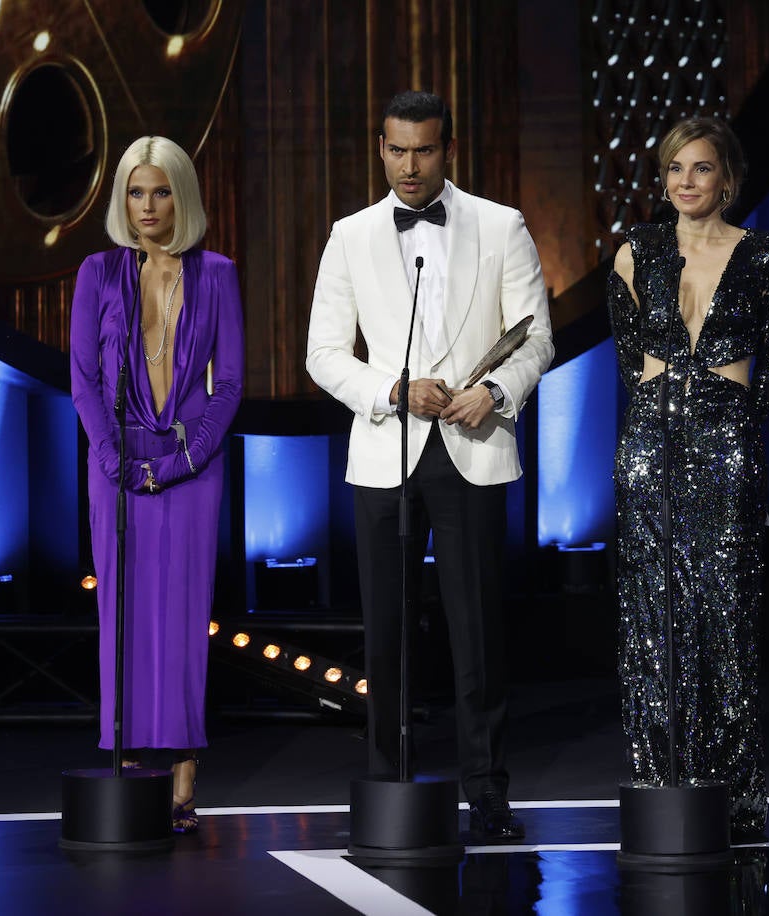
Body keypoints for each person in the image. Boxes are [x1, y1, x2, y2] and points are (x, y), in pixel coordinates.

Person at [306, 90, 554, 841]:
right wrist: (390, 389)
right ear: (379, 149)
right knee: (386, 632)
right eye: (396, 150)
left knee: (477, 632)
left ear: (448, 150)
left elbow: (536, 338)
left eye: (424, 150)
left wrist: (494, 391)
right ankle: (389, 788)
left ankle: (487, 791)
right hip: (387, 453)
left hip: (472, 450)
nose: (409, 166)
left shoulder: (500, 224)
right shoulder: (349, 236)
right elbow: (322, 356)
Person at [607, 117, 769, 842]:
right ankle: (659, 785)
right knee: (652, 621)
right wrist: (669, 408)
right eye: (675, 169)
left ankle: (734, 795)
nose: (687, 182)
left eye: (702, 169)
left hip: (726, 443)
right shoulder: (636, 253)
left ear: (729, 179)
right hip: (650, 443)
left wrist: (726, 422)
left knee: (725, 616)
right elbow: (631, 362)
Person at [70, 136, 244, 834]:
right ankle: (128, 762)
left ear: (184, 196)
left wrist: (181, 462)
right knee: (124, 613)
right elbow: (82, 377)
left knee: (181, 616)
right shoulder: (97, 272)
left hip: (189, 464)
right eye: (137, 192)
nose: (148, 207)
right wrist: (111, 457)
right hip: (114, 461)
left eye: (161, 191)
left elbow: (229, 383)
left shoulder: (218, 274)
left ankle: (181, 777)